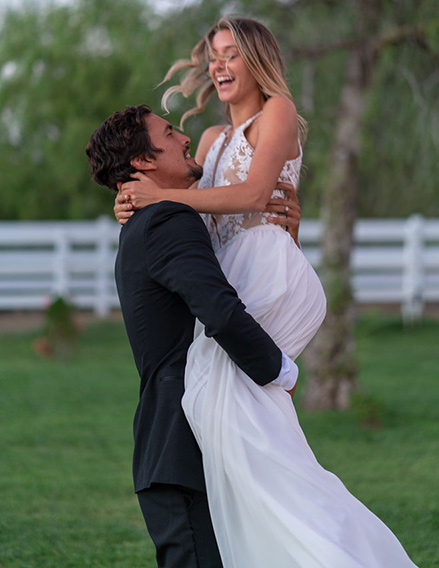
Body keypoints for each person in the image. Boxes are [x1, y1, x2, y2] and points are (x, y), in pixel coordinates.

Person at [115, 17, 419, 568]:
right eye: (214, 55)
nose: (219, 65)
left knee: (221, 398)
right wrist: (136, 204)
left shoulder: (275, 112)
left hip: (267, 272)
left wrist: (161, 198)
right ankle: (272, 532)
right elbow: (192, 216)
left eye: (232, 53)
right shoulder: (209, 140)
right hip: (233, 273)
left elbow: (254, 193)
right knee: (239, 427)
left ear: (257, 60)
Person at [86, 104, 300, 568]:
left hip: (186, 444)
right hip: (181, 446)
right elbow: (220, 312)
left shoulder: (151, 220)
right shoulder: (167, 221)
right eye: (168, 133)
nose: (185, 138)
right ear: (143, 162)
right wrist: (280, 370)